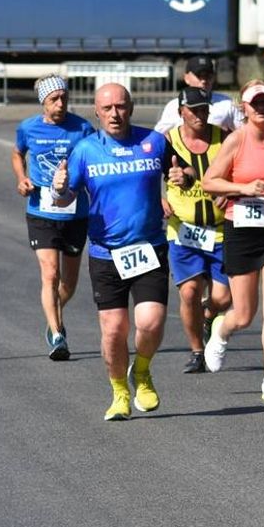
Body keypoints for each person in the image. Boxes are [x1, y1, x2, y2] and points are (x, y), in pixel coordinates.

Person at [51, 83, 169, 420]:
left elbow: (181, 173)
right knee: (114, 331)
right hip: (106, 254)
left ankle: (142, 371)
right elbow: (65, 197)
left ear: (130, 108)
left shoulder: (155, 142)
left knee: (150, 322)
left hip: (149, 247)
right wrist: (59, 188)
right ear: (97, 111)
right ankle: (119, 392)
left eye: (120, 106)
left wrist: (183, 177)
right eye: (107, 109)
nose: (114, 114)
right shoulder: (86, 150)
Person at [200, 79, 264, 401]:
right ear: (244, 108)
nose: (260, 108)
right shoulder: (236, 141)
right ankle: (221, 331)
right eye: (254, 103)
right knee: (243, 314)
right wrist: (241, 189)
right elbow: (209, 182)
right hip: (240, 229)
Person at [12, 74, 94, 360]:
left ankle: (53, 315)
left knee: (68, 284)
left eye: (64, 98)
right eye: (53, 100)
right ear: (43, 103)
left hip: (75, 213)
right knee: (51, 273)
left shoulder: (82, 128)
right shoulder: (28, 128)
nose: (60, 104)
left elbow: (94, 161)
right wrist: (22, 178)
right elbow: (16, 154)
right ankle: (57, 334)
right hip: (40, 211)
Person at [162, 87, 233, 374]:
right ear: (182, 111)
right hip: (183, 231)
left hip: (219, 231)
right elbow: (147, 174)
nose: (200, 115)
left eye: (204, 109)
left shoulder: (225, 138)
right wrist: (160, 197)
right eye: (194, 110)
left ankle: (209, 315)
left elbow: (239, 172)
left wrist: (230, 193)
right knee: (190, 292)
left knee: (224, 298)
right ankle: (196, 351)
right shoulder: (167, 140)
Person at [155, 56, 244, 133]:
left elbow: (245, 134)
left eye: (207, 76)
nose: (204, 80)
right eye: (199, 76)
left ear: (213, 77)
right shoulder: (174, 106)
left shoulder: (228, 103)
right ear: (186, 78)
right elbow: (159, 136)